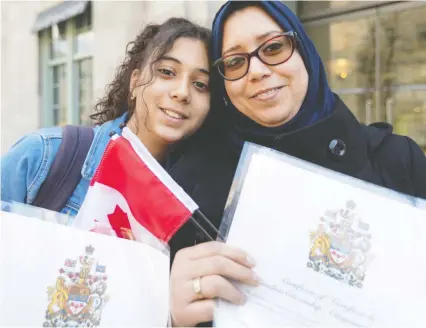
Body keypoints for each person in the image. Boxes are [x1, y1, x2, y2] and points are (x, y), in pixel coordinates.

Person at [168, 1, 426, 326]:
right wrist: (172, 315)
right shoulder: (191, 185)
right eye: (235, 61)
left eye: (274, 47)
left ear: (303, 49)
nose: (258, 70)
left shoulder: (397, 160)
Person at [1, 17, 213, 216]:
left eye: (201, 84)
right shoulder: (42, 155)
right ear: (135, 82)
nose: (183, 92)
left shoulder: (195, 204)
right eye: (167, 72)